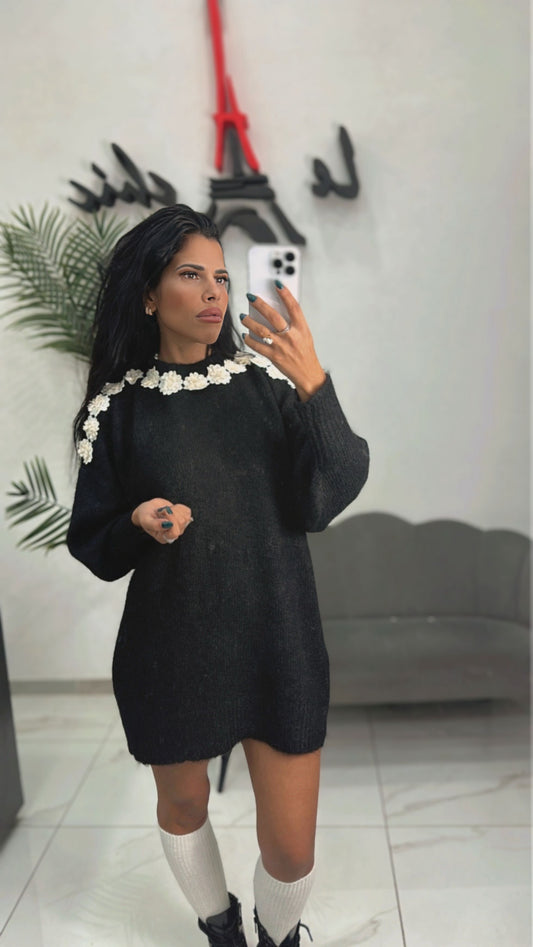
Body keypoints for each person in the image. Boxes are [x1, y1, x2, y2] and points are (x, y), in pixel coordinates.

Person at [67, 203, 369, 947]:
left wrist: (313, 384)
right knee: (183, 807)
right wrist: (137, 521)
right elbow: (92, 542)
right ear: (149, 294)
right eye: (191, 275)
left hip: (278, 640)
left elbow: (328, 492)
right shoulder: (117, 412)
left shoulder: (265, 388)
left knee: (291, 848)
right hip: (172, 648)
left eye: (222, 278)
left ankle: (278, 933)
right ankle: (220, 926)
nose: (213, 293)